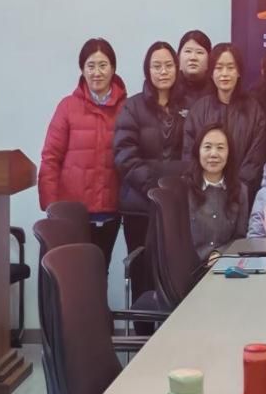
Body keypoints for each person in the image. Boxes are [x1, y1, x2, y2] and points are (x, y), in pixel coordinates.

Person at [39, 37, 126, 270]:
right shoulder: (67, 107)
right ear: (82, 69)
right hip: (73, 213)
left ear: (113, 68)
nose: (97, 72)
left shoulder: (126, 108)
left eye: (103, 65)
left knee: (99, 271)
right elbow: (50, 158)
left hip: (110, 211)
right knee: (72, 274)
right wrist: (52, 207)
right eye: (91, 65)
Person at [113, 41, 190, 296]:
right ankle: (141, 322)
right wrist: (153, 187)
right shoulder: (132, 106)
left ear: (176, 68)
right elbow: (124, 156)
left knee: (175, 273)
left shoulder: (189, 106)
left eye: (168, 65)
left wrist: (172, 187)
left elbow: (193, 155)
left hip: (178, 205)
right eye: (157, 66)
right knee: (142, 274)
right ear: (147, 70)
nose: (163, 71)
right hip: (139, 206)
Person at [183, 43, 266, 202]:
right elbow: (190, 155)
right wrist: (208, 187)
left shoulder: (254, 110)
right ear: (211, 72)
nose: (224, 74)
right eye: (219, 68)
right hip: (203, 195)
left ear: (239, 72)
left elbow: (255, 159)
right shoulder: (199, 110)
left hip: (241, 195)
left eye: (230, 67)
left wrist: (236, 189)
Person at [186, 124, 249, 260]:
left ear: (229, 153)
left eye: (220, 148)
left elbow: (240, 238)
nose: (213, 154)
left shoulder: (240, 191)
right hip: (188, 267)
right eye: (207, 147)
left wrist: (220, 253)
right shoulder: (183, 189)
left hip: (223, 264)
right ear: (198, 151)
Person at [177, 30, 214, 109]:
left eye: (199, 52)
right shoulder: (168, 89)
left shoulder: (217, 91)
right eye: (188, 51)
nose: (193, 57)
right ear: (178, 57)